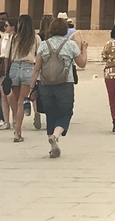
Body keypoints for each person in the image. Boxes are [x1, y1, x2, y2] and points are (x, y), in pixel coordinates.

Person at [32, 18, 88, 159]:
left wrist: (31, 87)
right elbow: (82, 64)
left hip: (45, 85)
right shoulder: (70, 45)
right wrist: (84, 50)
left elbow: (36, 69)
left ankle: (53, 143)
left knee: (51, 113)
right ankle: (56, 136)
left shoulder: (44, 45)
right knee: (65, 113)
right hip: (64, 84)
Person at [7, 15, 39, 143]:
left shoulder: (14, 37)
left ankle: (16, 123)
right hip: (28, 68)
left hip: (14, 67)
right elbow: (38, 55)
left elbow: (7, 55)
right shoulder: (35, 38)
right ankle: (17, 132)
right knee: (21, 102)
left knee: (15, 101)